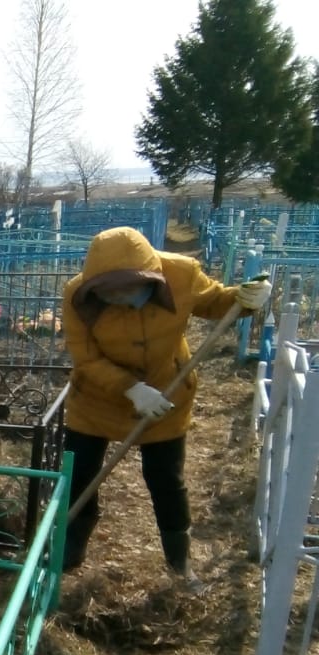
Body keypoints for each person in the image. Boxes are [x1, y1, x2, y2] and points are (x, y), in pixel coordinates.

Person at [61, 226, 270, 579]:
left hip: (166, 394)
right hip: (96, 400)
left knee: (165, 479)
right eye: (108, 291)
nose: (119, 296)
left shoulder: (181, 274)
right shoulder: (77, 295)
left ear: (150, 276)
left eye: (128, 287)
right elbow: (87, 358)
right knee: (79, 476)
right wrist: (131, 388)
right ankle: (69, 551)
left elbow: (214, 301)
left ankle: (179, 564)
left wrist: (245, 298)